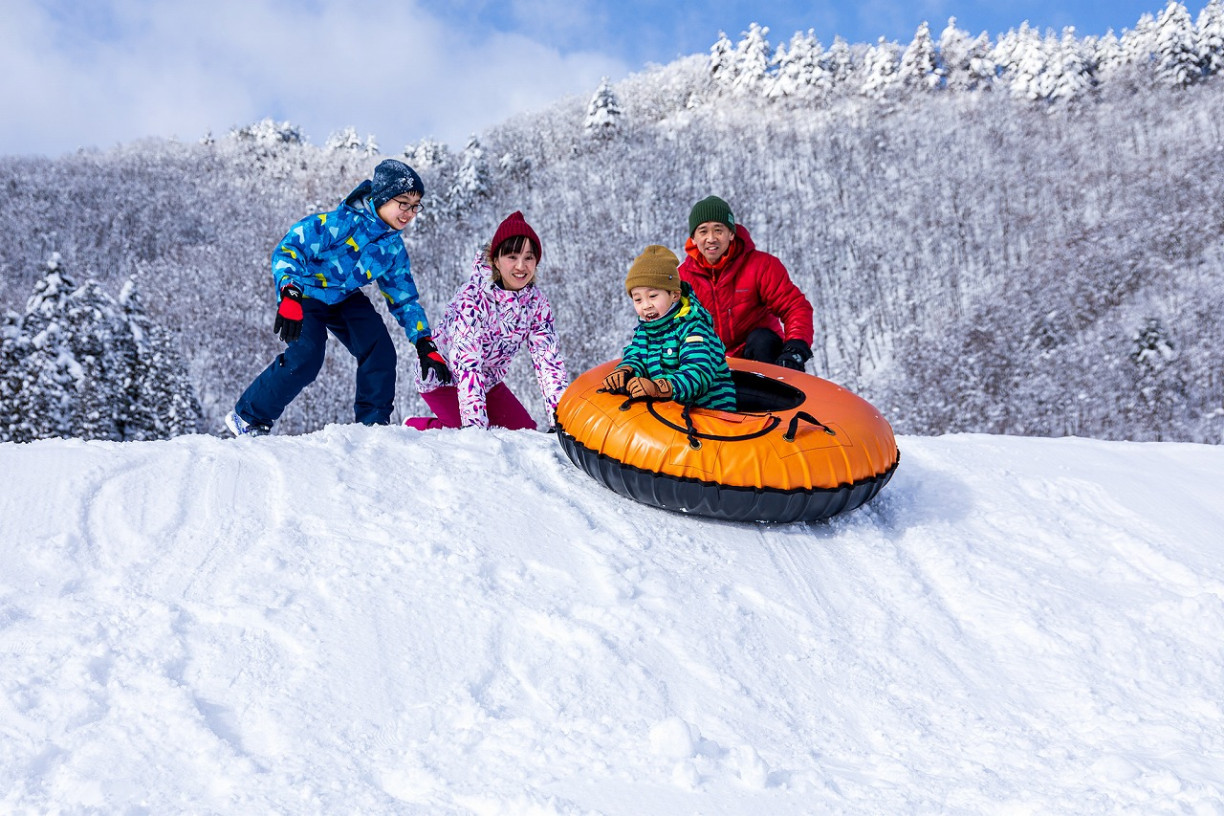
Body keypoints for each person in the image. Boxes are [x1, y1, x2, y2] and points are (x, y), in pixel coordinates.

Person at [226, 159, 450, 436]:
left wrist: (424, 342)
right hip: (305, 291)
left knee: (379, 350)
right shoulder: (336, 224)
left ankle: (373, 426)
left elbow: (403, 298)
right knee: (307, 356)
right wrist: (290, 293)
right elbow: (288, 251)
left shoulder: (392, 248)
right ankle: (248, 417)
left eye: (416, 205)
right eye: (403, 202)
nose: (410, 212)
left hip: (344, 297)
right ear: (381, 198)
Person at [402, 211, 569, 430]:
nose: (521, 266)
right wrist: (476, 431)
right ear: (496, 260)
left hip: (488, 380)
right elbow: (467, 366)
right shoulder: (472, 299)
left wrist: (562, 421)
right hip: (443, 379)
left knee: (525, 432)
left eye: (528, 257)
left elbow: (548, 363)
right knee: (469, 433)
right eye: (512, 257)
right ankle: (417, 426)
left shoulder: (535, 303)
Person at [678, 195, 815, 371]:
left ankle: (775, 391)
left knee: (762, 339)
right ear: (693, 239)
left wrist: (795, 348)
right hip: (710, 363)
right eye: (703, 231)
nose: (711, 238)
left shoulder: (761, 266)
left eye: (718, 230)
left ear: (731, 233)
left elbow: (794, 306)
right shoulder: (681, 278)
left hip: (759, 357)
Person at [602, 245, 737, 411]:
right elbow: (636, 356)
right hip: (672, 411)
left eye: (653, 296)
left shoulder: (694, 328)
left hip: (710, 412)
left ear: (674, 295)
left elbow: (697, 373)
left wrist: (660, 388)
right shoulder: (645, 331)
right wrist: (626, 370)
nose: (646, 306)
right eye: (638, 300)